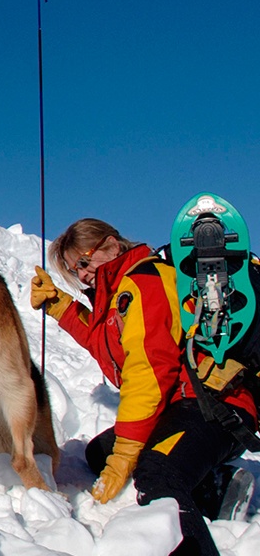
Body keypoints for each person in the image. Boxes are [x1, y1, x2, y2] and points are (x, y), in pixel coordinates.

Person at [32, 218, 257, 556]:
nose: (81, 275)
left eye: (83, 261)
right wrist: (60, 305)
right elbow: (102, 339)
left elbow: (148, 376)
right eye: (72, 269)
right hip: (181, 405)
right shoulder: (119, 294)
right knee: (98, 452)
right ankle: (215, 489)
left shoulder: (145, 282)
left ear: (111, 245)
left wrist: (126, 454)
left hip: (215, 406)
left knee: (157, 470)